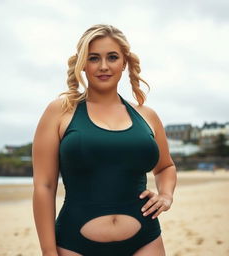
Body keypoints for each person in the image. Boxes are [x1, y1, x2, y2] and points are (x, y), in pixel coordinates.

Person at [32, 24, 177, 256]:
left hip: (146, 241)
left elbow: (166, 167)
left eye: (112, 57)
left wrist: (166, 195)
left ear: (124, 63)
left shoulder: (146, 116)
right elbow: (44, 186)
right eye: (93, 58)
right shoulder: (60, 111)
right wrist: (49, 252)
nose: (103, 66)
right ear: (82, 64)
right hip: (74, 244)